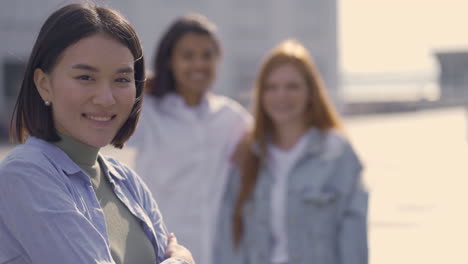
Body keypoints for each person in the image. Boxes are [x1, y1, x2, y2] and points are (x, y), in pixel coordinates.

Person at [0, 4, 194, 264]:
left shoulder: (128, 182)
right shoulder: (24, 177)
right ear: (44, 84)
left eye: (122, 79)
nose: (106, 98)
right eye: (85, 77)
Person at [216, 39, 368, 264]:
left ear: (311, 92)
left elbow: (354, 239)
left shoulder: (338, 155)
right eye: (272, 87)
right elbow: (229, 240)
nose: (281, 96)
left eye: (292, 87)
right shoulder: (247, 154)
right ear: (261, 94)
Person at [127, 13, 252, 264]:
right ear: (170, 60)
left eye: (207, 55)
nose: (198, 64)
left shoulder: (231, 118)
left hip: (216, 255)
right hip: (158, 253)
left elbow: (270, 144)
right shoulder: (147, 111)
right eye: (187, 56)